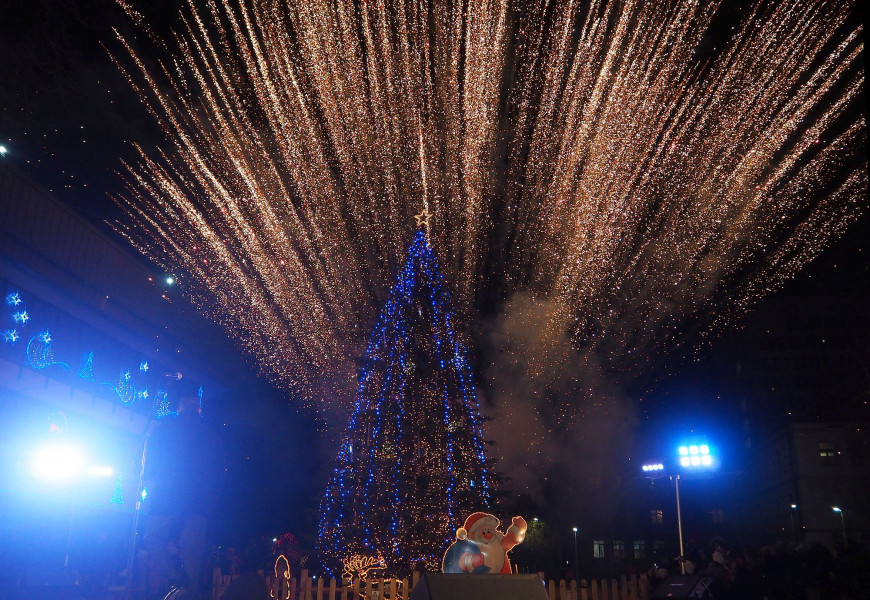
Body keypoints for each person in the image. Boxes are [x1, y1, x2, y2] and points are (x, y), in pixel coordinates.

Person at [144, 381, 223, 600]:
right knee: (193, 552)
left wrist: (149, 481)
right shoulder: (211, 435)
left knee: (151, 539)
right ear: (198, 410)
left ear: (179, 408)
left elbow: (152, 459)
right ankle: (191, 592)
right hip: (198, 499)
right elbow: (217, 470)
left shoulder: (164, 430)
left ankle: (177, 577)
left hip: (167, 494)